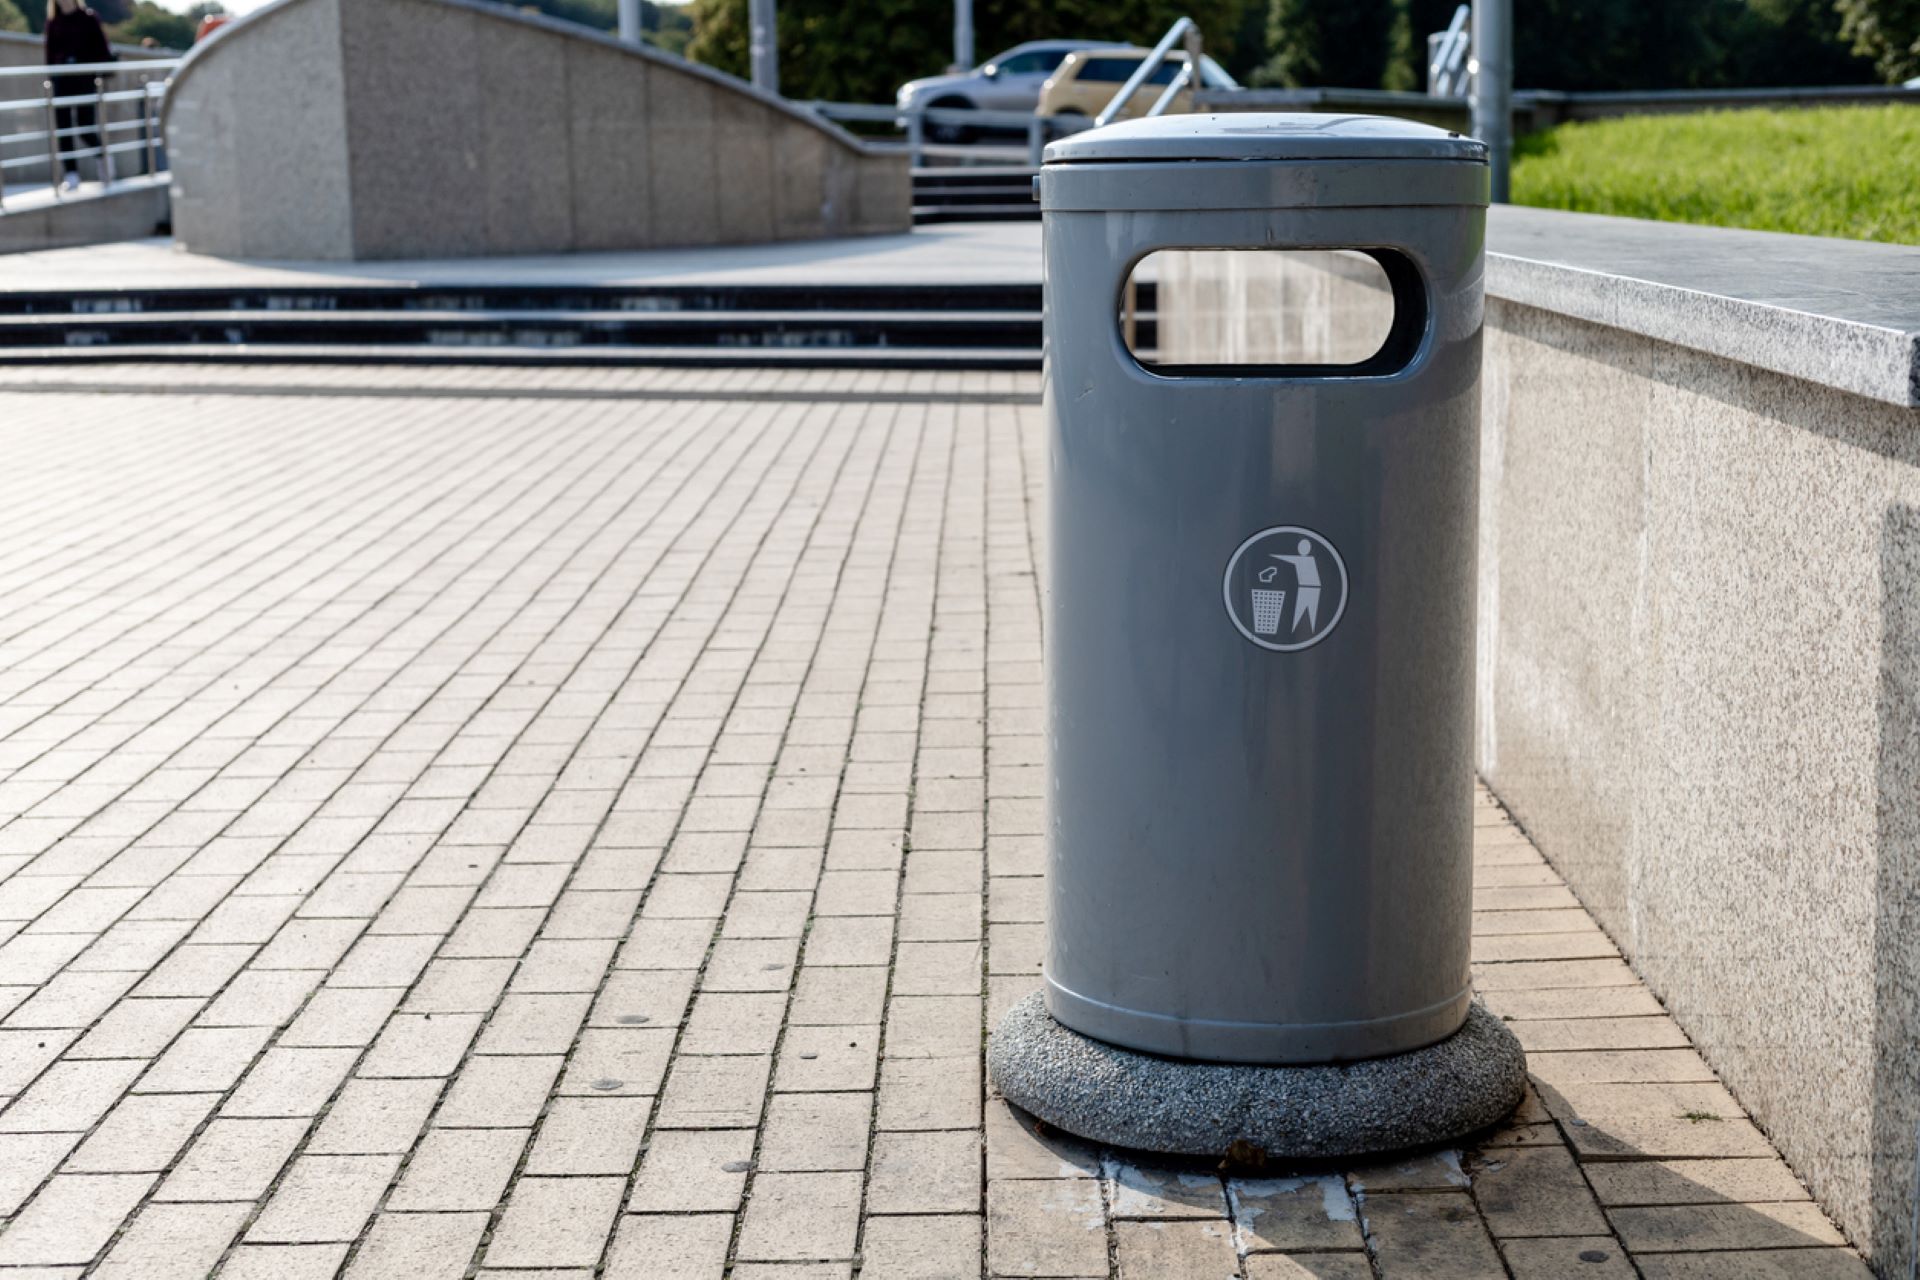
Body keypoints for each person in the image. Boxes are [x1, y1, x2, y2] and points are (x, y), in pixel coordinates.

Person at [44, 0, 113, 193]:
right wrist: (52, 76)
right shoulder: (53, 22)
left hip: (84, 80)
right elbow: (49, 54)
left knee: (85, 127)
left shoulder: (88, 18)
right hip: (61, 82)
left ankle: (104, 159)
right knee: (63, 129)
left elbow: (102, 50)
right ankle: (71, 174)